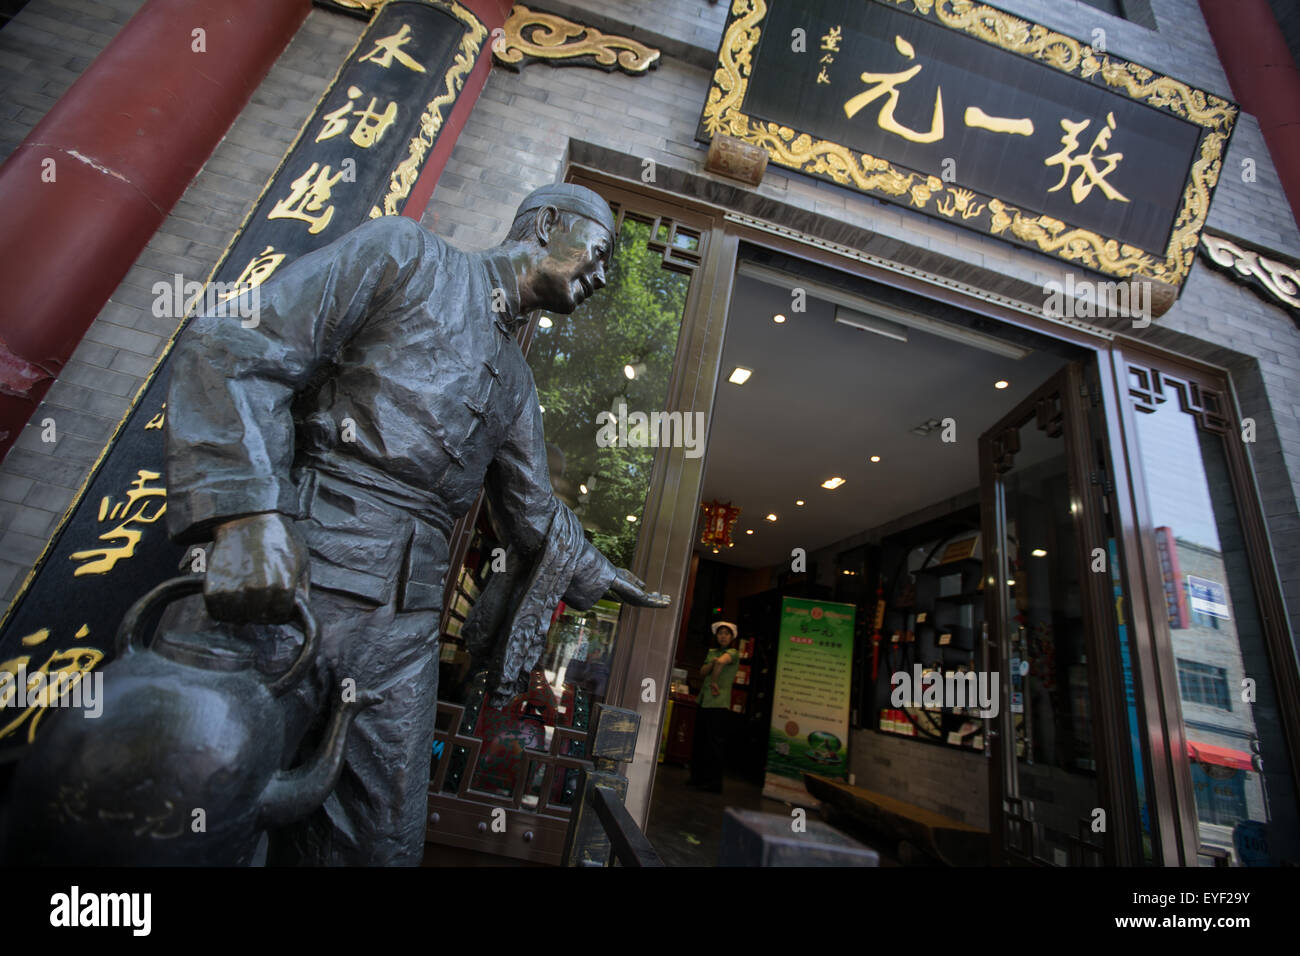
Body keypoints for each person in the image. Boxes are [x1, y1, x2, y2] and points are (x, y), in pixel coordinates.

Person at [164, 182, 671, 866]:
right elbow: (231, 345)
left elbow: (530, 510)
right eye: (600, 252)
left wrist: (602, 569)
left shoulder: (516, 382)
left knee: (383, 844)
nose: (602, 276)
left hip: (404, 631)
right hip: (299, 575)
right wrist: (249, 513)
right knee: (208, 809)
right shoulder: (405, 254)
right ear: (547, 223)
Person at [689, 621, 741, 793]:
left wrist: (713, 682)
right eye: (720, 633)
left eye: (727, 633)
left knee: (714, 744)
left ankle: (714, 783)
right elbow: (702, 671)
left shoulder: (733, 652)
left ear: (732, 637)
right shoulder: (712, 652)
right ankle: (697, 777)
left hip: (719, 704)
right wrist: (713, 662)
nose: (723, 636)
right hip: (704, 701)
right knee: (700, 741)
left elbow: (720, 663)